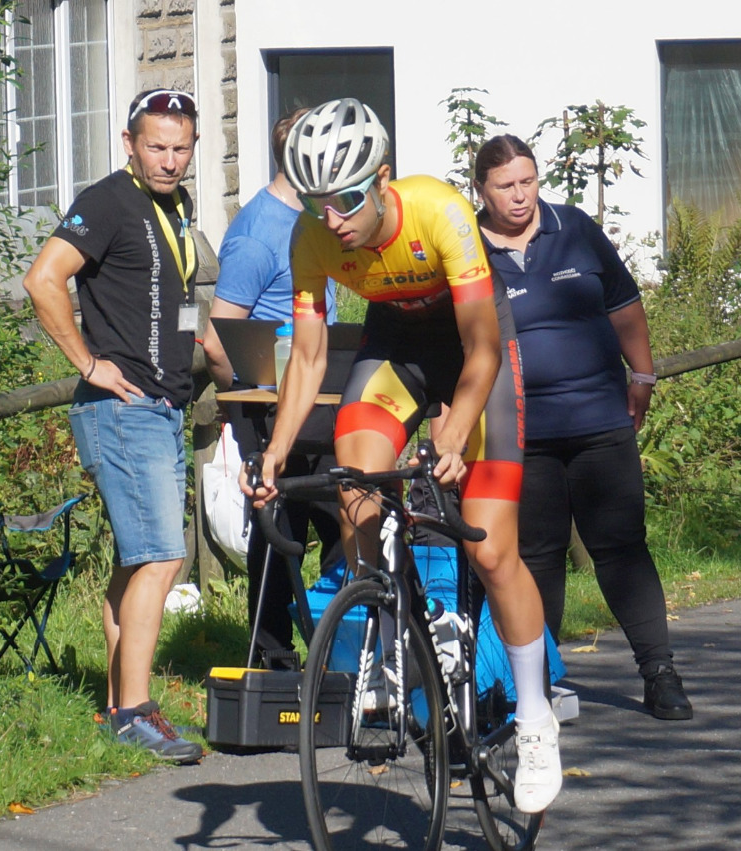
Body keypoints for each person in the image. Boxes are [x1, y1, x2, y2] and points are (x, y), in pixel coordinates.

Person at [243, 98, 562, 813]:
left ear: (382, 179)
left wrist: (453, 432)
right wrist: (277, 452)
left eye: (349, 199)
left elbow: (482, 346)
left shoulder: (437, 210)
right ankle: (390, 638)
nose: (333, 218)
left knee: (491, 549)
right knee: (354, 476)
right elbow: (309, 356)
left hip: (473, 349)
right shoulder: (312, 236)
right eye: (318, 202)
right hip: (395, 347)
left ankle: (536, 716)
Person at [473, 134, 693, 721]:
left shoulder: (573, 229)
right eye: (505, 186)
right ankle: (537, 688)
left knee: (621, 547)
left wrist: (642, 375)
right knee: (537, 556)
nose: (520, 196)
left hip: (599, 418)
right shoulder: (467, 248)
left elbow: (624, 305)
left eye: (528, 181)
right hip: (521, 432)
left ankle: (660, 672)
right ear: (482, 190)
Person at [22, 88, 204, 763]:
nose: (169, 160)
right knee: (161, 557)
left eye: (181, 148)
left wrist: (206, 347)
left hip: (164, 405)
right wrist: (88, 362)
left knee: (138, 560)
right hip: (124, 409)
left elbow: (177, 296)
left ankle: (117, 706)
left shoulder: (177, 206)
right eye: (156, 146)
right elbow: (43, 279)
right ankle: (134, 712)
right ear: (129, 143)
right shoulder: (106, 201)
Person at [201, 108, 343, 669]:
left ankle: (342, 652)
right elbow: (217, 340)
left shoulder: (314, 219)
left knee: (344, 520)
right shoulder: (258, 234)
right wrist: (241, 404)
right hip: (271, 402)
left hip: (323, 397)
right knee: (279, 532)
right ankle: (272, 658)